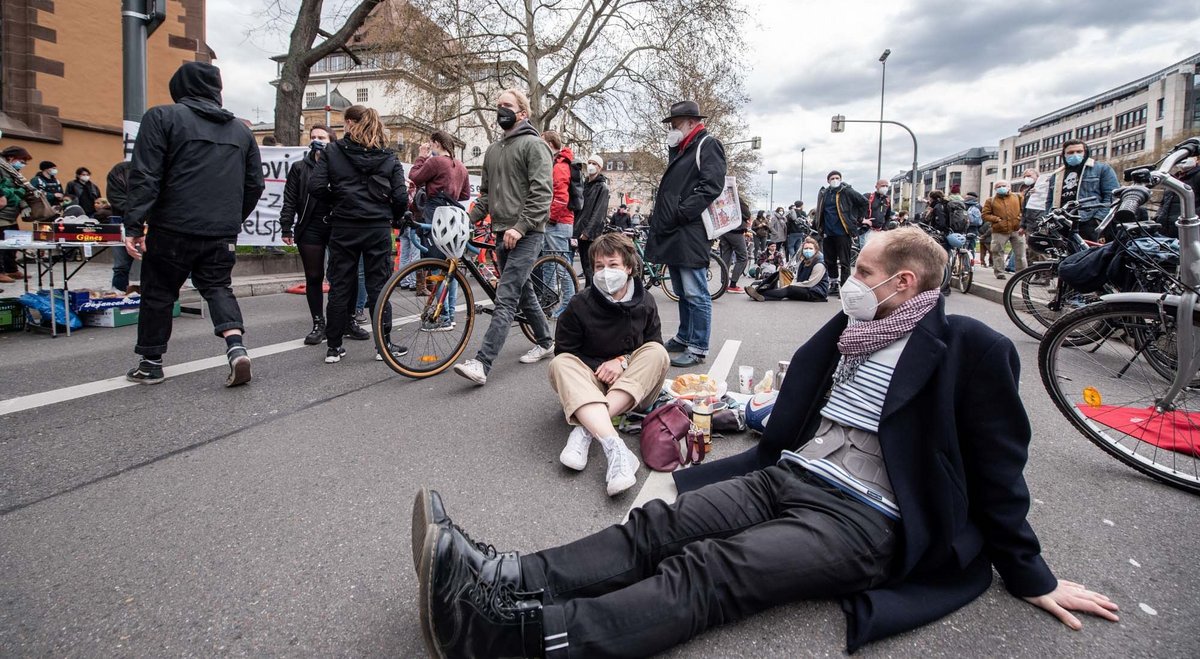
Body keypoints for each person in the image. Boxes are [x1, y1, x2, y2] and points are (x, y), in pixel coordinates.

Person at [413, 226, 1119, 659]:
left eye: (864, 273)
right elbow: (790, 406)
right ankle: (502, 577)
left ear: (904, 283)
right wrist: (717, 418)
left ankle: (504, 636)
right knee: (656, 526)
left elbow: (999, 469)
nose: (851, 283)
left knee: (710, 572)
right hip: (795, 473)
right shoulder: (855, 331)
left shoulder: (969, 344)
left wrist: (1032, 573)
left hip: (866, 518)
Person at [122, 61, 264, 386]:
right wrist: (231, 219)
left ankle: (151, 362)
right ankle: (236, 346)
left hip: (172, 226)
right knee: (218, 287)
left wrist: (134, 225)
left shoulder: (162, 117)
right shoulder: (241, 132)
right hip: (220, 232)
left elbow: (145, 175)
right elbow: (254, 184)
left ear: (180, 87)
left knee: (159, 292)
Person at [548, 232, 668, 495]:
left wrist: (622, 362)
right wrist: (602, 368)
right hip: (591, 384)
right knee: (560, 364)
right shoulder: (579, 304)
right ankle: (616, 448)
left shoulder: (646, 301)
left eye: (613, 265)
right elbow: (565, 351)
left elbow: (652, 344)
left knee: (659, 352)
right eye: (599, 266)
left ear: (628, 267)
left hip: (633, 387)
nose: (605, 272)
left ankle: (586, 429)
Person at [453, 89, 555, 385]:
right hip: (502, 231)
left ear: (522, 113)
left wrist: (520, 227)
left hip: (527, 233)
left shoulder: (534, 146)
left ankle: (483, 364)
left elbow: (541, 194)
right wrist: (466, 219)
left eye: (507, 106)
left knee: (507, 297)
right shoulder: (493, 150)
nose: (500, 111)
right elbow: (485, 196)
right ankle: (547, 341)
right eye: (498, 106)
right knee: (524, 293)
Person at [308, 105, 407, 364]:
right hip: (376, 226)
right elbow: (400, 197)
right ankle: (383, 346)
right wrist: (394, 216)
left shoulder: (333, 151)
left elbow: (316, 186)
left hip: (343, 225)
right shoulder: (388, 156)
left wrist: (338, 200)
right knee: (379, 287)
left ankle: (334, 346)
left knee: (340, 285)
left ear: (352, 124)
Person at [645, 100, 726, 368]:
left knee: (695, 291)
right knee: (682, 290)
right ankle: (684, 336)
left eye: (676, 124)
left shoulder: (707, 144)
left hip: (690, 230)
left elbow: (711, 185)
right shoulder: (683, 148)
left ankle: (698, 346)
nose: (672, 128)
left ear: (691, 123)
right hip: (677, 230)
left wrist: (682, 211)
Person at [279, 125, 339, 345]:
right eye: (313, 137)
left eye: (321, 137)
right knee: (314, 277)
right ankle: (318, 322)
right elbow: (290, 199)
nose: (316, 140)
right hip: (309, 226)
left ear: (331, 141)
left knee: (340, 276)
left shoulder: (338, 166)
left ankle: (344, 320)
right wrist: (286, 226)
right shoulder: (299, 168)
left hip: (335, 226)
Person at [1040, 140, 1119, 241]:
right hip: (1062, 223)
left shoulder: (1102, 169)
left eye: (1079, 151)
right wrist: (1049, 219)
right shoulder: (1056, 175)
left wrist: (1098, 219)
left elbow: (1112, 196)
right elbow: (1049, 201)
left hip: (1088, 221)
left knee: (1090, 255)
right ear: (1064, 155)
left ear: (1085, 152)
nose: (1075, 155)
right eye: (1070, 152)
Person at [540, 130, 577, 317]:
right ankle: (549, 301)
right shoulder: (558, 164)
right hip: (557, 222)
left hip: (558, 223)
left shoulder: (559, 166)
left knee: (561, 266)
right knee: (550, 264)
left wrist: (551, 217)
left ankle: (568, 305)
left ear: (549, 144)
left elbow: (561, 197)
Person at [815, 170, 868, 289]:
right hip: (828, 232)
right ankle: (833, 283)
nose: (835, 180)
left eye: (837, 178)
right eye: (832, 178)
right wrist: (818, 227)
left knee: (845, 262)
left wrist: (858, 219)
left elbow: (864, 202)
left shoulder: (847, 191)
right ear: (828, 181)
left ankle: (844, 286)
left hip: (843, 232)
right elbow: (820, 211)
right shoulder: (824, 193)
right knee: (830, 260)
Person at [746, 235, 830, 302]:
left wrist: (791, 285)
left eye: (810, 248)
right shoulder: (804, 261)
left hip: (817, 292)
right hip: (807, 288)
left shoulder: (819, 264)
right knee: (780, 281)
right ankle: (761, 295)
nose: (808, 250)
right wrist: (791, 283)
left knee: (788, 290)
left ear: (816, 250)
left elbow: (810, 283)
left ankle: (760, 294)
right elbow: (797, 277)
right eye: (806, 248)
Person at [104, 160, 141, 293]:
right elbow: (116, 198)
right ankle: (119, 298)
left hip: (150, 221)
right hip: (122, 220)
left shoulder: (157, 168)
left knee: (155, 264)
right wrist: (140, 211)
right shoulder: (121, 170)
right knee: (121, 265)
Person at [573, 154, 611, 283]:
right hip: (580, 230)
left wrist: (587, 231)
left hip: (591, 234)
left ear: (600, 168)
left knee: (590, 266)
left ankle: (591, 293)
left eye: (594, 163)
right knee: (585, 264)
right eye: (589, 162)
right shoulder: (584, 185)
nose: (591, 166)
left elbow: (598, 213)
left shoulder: (602, 188)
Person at [0, 146, 34, 282]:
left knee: (13, 243)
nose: (23, 164)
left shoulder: (13, 171)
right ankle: (0, 271)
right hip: (2, 212)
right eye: (22, 160)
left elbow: (18, 189)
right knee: (1, 244)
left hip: (11, 213)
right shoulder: (2, 168)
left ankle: (11, 269)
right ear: (11, 158)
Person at [983, 180, 1025, 280]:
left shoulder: (1018, 197)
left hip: (1016, 229)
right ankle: (999, 272)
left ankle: (1022, 273)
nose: (1001, 187)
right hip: (999, 230)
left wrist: (1020, 218)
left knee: (1020, 253)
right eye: (999, 186)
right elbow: (985, 214)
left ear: (1009, 187)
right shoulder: (991, 200)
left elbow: (1024, 210)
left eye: (1004, 185)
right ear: (995, 189)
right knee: (997, 252)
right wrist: (996, 219)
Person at [1155, 155, 1200, 238]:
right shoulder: (1171, 179)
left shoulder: (1197, 176)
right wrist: (1158, 217)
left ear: (1197, 159)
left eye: (1189, 157)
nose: (1184, 160)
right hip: (1165, 231)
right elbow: (1163, 203)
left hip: (1188, 232)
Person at [719, 197, 750, 293]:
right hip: (736, 231)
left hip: (724, 230)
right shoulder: (736, 198)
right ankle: (733, 284)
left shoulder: (722, 198)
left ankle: (724, 283)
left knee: (726, 257)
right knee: (743, 257)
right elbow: (747, 213)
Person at [862, 179, 894, 246]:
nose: (885, 188)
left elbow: (888, 216)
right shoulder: (868, 197)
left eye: (886, 186)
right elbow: (856, 209)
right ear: (876, 186)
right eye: (882, 186)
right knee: (866, 252)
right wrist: (862, 220)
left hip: (879, 231)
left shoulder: (887, 200)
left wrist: (884, 228)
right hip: (866, 230)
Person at [963, 191, 984, 261]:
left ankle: (963, 262)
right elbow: (981, 220)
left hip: (964, 228)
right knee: (972, 246)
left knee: (963, 246)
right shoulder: (979, 206)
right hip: (974, 229)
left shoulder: (962, 204)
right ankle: (971, 262)